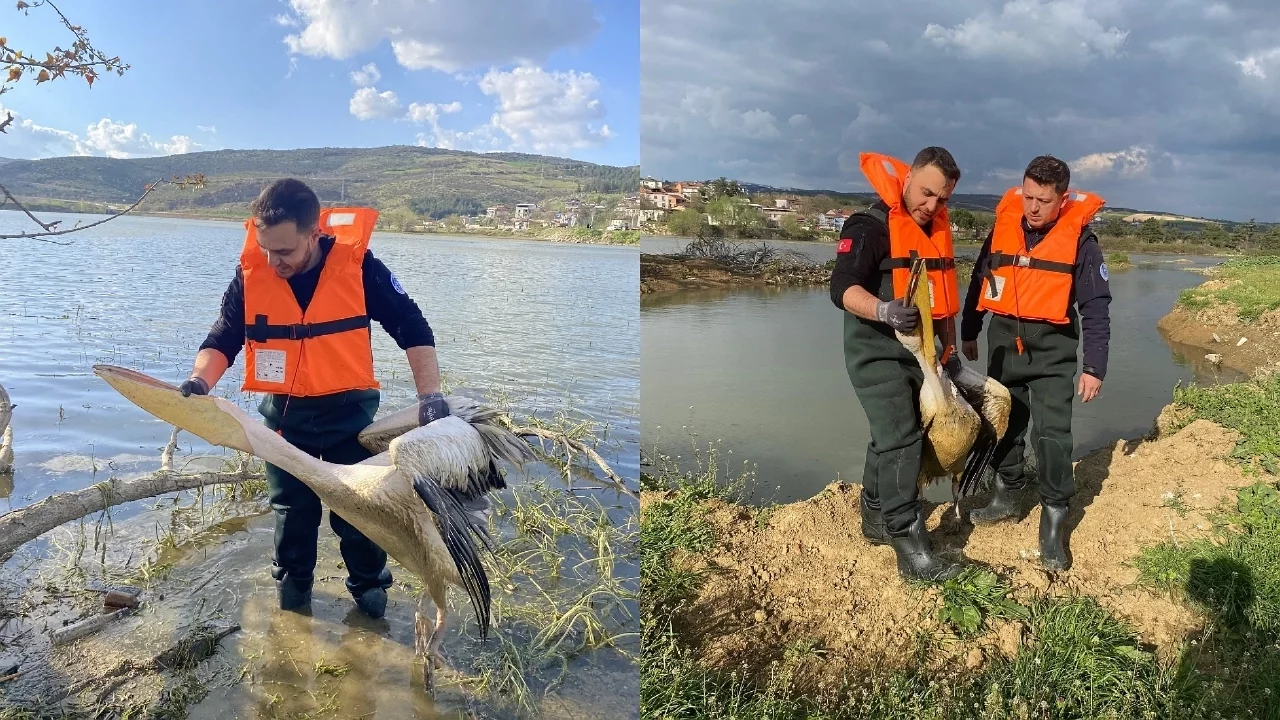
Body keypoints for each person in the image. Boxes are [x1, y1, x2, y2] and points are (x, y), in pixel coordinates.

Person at [179, 178, 450, 617]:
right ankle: (293, 607)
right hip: (284, 424)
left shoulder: (360, 267)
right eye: (267, 249)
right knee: (292, 517)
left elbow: (412, 327)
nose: (274, 262)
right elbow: (223, 337)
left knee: (361, 518)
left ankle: (370, 596)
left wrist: (430, 396)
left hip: (352, 420)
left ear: (314, 233)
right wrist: (199, 382)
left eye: (284, 252)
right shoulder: (252, 273)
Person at [959, 155, 1111, 571]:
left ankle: (1054, 514)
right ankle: (1007, 493)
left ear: (1062, 199)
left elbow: (1096, 308)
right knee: (1002, 423)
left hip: (1053, 351)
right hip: (1004, 342)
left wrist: (1094, 366)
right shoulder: (1003, 228)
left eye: (1044, 200)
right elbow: (979, 280)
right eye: (1028, 197)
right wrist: (969, 329)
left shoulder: (1082, 242)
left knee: (1052, 434)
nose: (1033, 208)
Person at [829, 147, 968, 582]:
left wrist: (949, 351)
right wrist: (884, 311)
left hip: (919, 355)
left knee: (889, 437)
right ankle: (909, 545)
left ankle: (874, 515)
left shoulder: (933, 232)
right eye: (926, 193)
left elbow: (941, 301)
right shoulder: (868, 227)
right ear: (907, 179)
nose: (931, 206)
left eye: (941, 199)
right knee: (902, 440)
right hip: (875, 352)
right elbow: (842, 289)